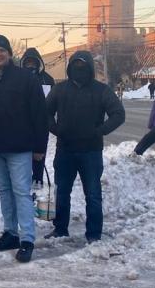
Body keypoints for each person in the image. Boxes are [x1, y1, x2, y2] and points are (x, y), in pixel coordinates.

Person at [0, 35, 48, 263]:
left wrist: (39, 148)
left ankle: (27, 240)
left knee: (21, 192)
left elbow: (39, 114)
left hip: (20, 147)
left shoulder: (26, 79)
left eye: (2, 50)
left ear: (10, 54)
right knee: (4, 191)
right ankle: (10, 233)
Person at [45, 51, 126, 244]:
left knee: (93, 194)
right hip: (65, 149)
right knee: (62, 192)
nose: (79, 69)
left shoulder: (101, 90)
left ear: (89, 67)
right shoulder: (60, 89)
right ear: (70, 67)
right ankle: (60, 228)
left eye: (83, 65)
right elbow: (44, 113)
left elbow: (118, 114)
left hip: (91, 151)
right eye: (75, 65)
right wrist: (56, 130)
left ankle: (94, 234)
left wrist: (100, 131)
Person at [20, 47, 55, 189]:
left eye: (33, 63)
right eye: (27, 63)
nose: (30, 66)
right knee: (23, 153)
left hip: (42, 121)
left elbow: (53, 99)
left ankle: (38, 177)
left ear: (38, 63)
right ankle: (25, 177)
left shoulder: (48, 79)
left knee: (40, 151)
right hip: (22, 122)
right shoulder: (19, 78)